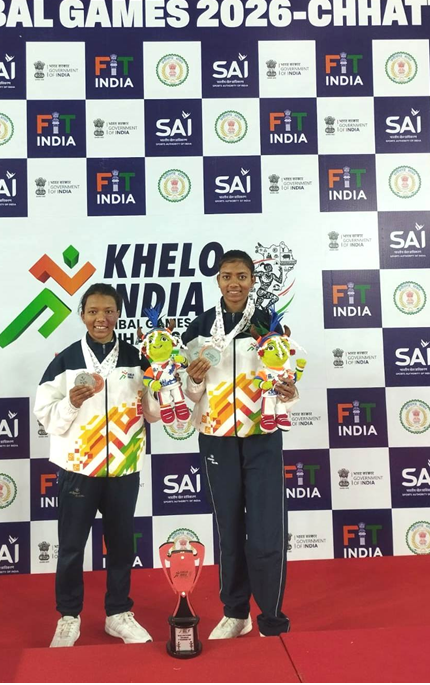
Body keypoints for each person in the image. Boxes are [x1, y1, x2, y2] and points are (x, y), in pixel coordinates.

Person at [34, 283, 160, 647]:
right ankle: (68, 616)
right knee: (71, 546)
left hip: (124, 467)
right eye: (93, 312)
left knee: (121, 546)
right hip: (78, 468)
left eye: (108, 311)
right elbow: (45, 416)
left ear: (118, 314)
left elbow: (153, 414)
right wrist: (71, 403)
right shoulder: (65, 361)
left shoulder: (138, 358)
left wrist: (161, 386)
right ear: (82, 315)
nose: (100, 318)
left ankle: (118, 613)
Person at [181, 250, 298, 639]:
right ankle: (235, 612)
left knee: (266, 530)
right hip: (217, 438)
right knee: (229, 530)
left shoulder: (269, 324)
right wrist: (195, 379)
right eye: (227, 276)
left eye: (242, 276)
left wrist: (290, 392)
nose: (234, 283)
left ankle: (271, 617)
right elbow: (190, 395)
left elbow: (284, 380)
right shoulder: (198, 328)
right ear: (218, 280)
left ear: (252, 281)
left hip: (262, 435)